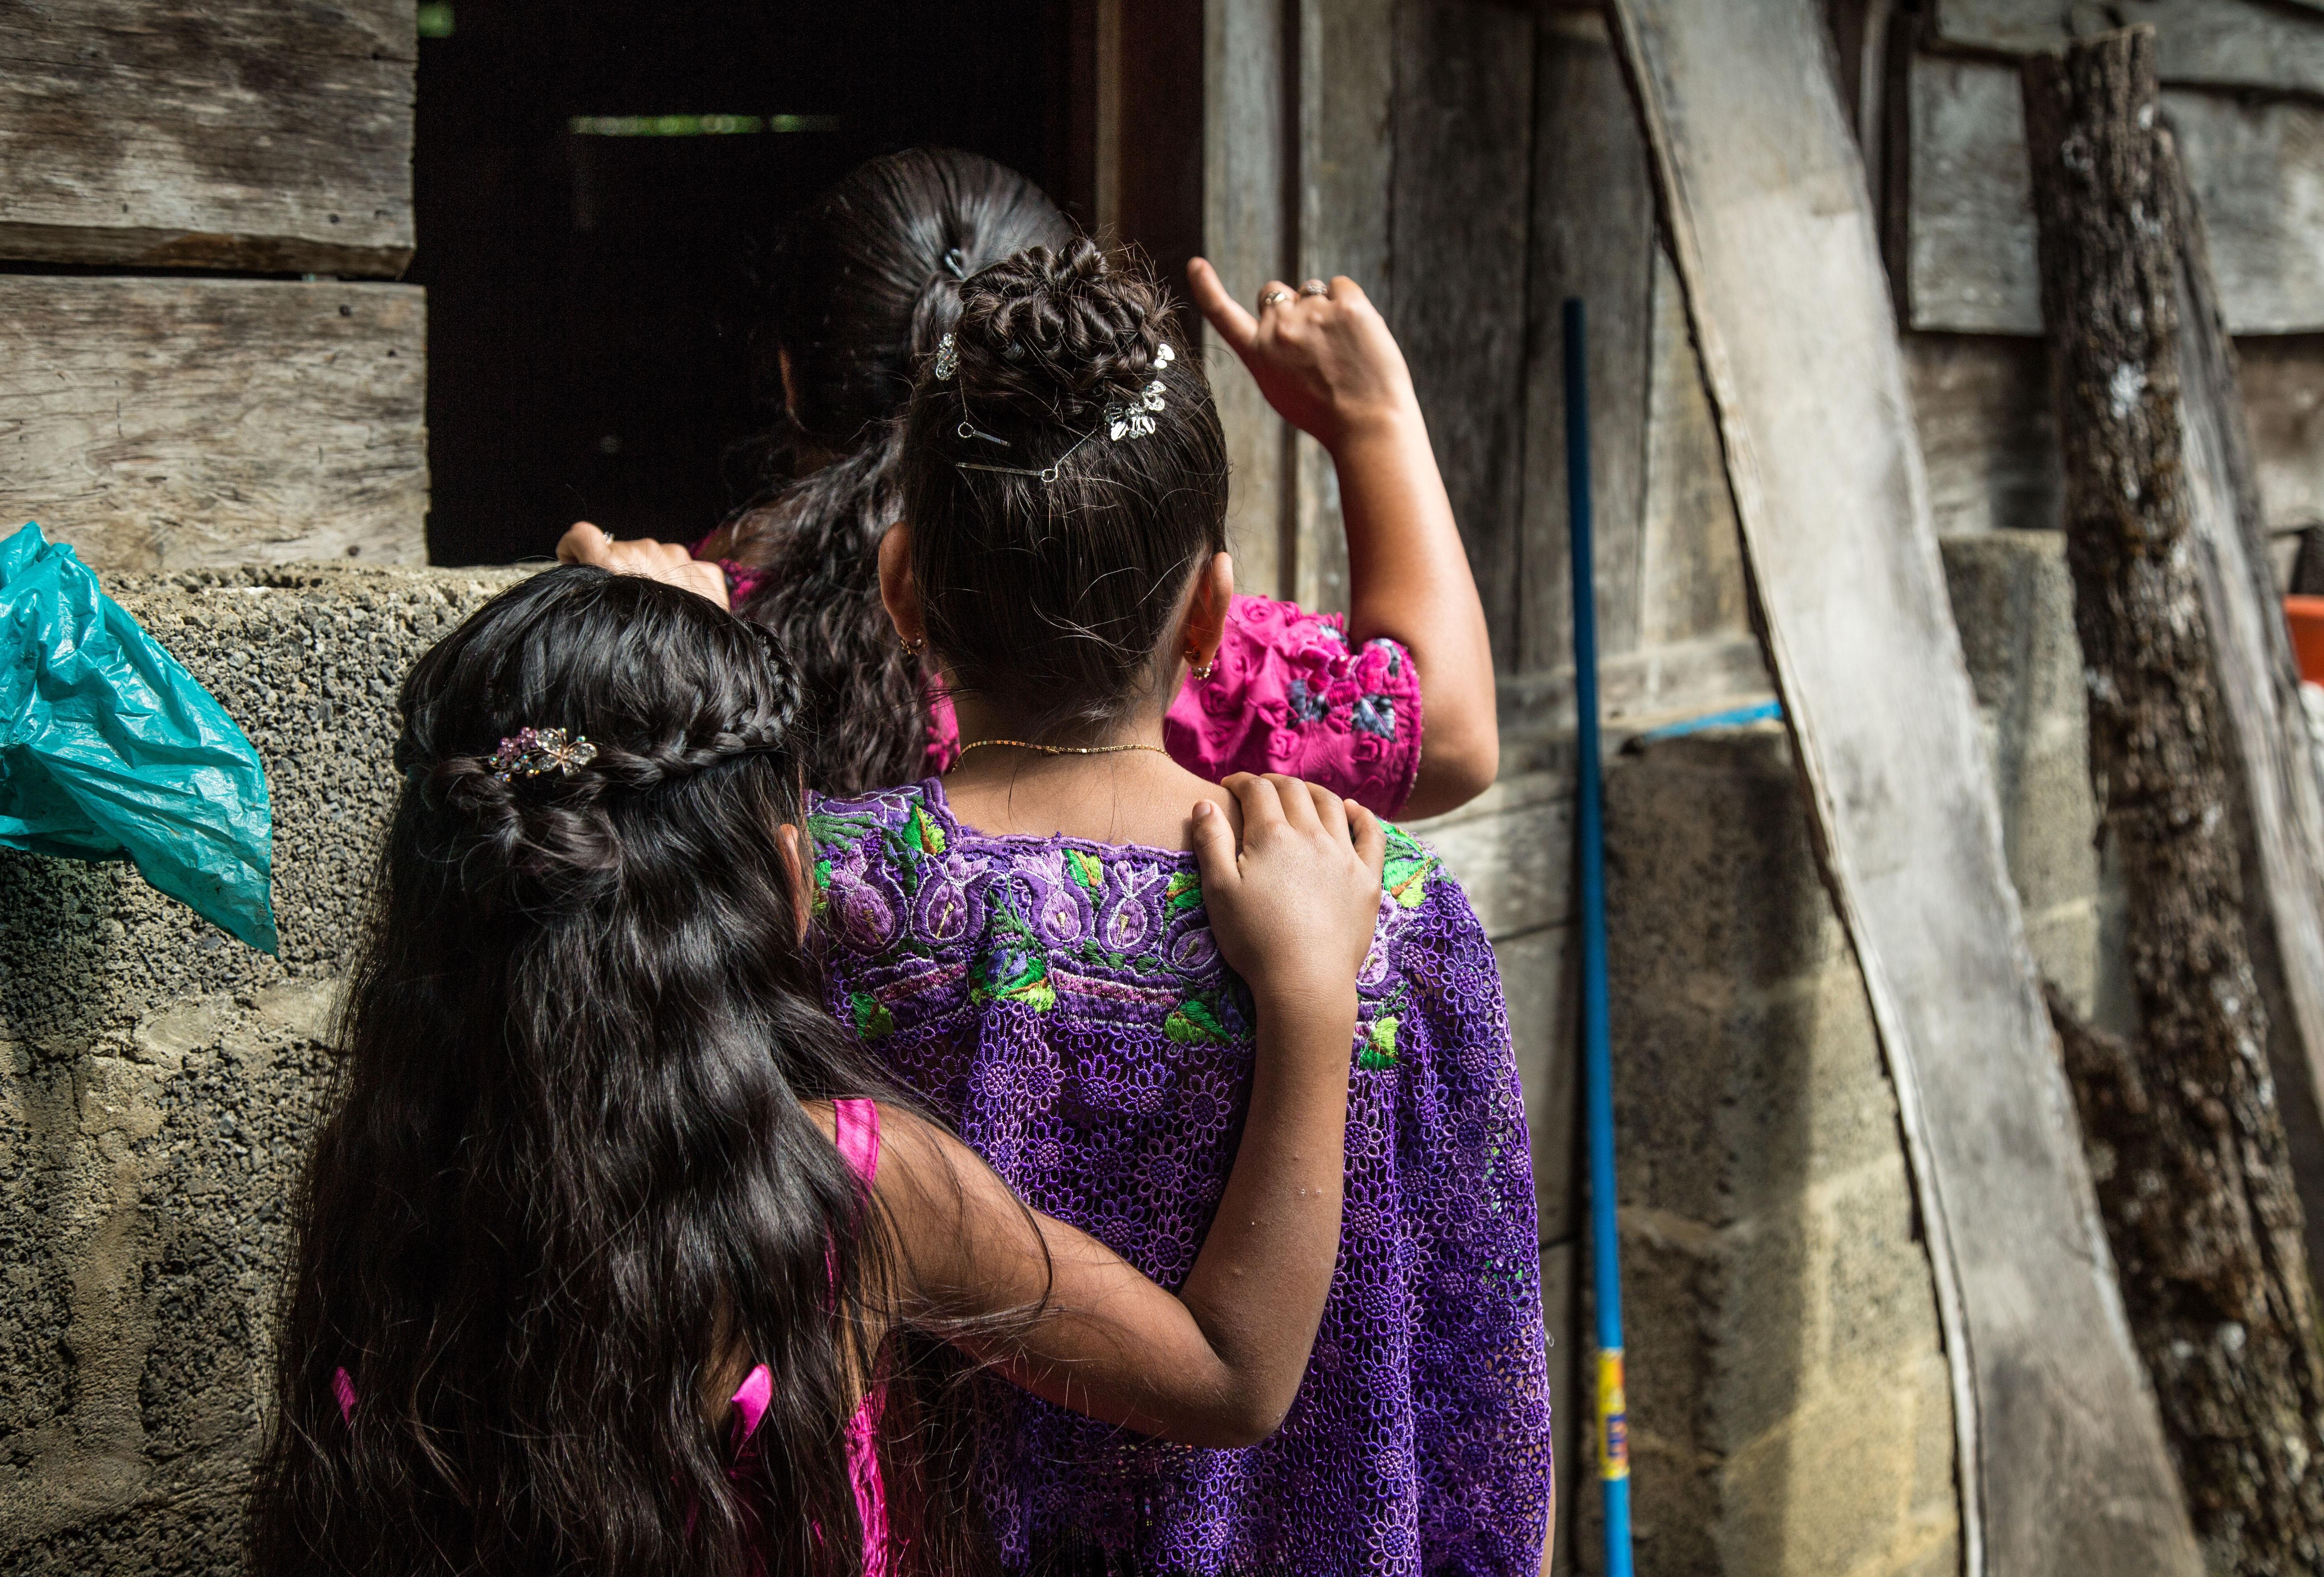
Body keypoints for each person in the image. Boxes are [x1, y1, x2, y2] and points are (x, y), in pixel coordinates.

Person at [247, 566, 1389, 1577]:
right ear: (791, 879)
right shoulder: (847, 1191)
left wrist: (658, 674)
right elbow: (1231, 1376)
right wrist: (1309, 993)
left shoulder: (389, 1192)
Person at [809, 240, 1549, 1573]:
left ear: (904, 588)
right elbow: (1482, 1403)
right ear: (1215, 613)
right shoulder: (1395, 927)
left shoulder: (819, 904)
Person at [559, 147, 1498, 819]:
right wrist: (1373, 418)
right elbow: (1446, 740)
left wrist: (639, 635)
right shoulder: (1149, 647)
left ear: (792, 377)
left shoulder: (707, 648)